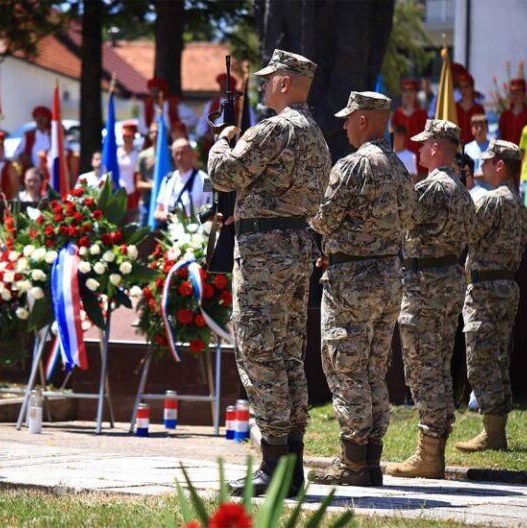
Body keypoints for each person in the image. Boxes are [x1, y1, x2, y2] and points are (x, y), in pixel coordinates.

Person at [208, 49, 330, 497]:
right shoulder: (315, 133)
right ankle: (290, 462)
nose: (262, 86)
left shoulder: (275, 128)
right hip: (297, 246)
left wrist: (223, 138)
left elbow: (226, 173)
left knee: (260, 351)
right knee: (286, 352)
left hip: (265, 252)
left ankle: (275, 465)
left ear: (283, 81)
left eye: (267, 80)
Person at [307, 91, 417, 487]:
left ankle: (352, 464)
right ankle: (370, 461)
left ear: (365, 120)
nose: (344, 125)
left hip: (351, 282)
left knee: (346, 369)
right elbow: (410, 218)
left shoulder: (352, 165)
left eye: (349, 118)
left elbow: (324, 218)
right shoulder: (399, 167)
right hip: (388, 277)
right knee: (372, 370)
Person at [386, 119, 474, 480]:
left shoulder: (432, 188)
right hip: (449, 280)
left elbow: (400, 222)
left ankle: (430, 453)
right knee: (436, 365)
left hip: (425, 285)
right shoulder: (462, 190)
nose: (419, 149)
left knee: (425, 369)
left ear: (438, 146)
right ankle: (433, 446)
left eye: (424, 144)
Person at [455, 140, 527, 453]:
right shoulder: (518, 204)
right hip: (505, 287)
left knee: (482, 360)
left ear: (500, 166)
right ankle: (496, 430)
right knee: (498, 358)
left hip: (485, 289)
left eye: (486, 161)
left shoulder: (492, 200)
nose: (481, 165)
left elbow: (465, 231)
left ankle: (492, 433)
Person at [154, 138, 212, 224]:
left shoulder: (207, 180)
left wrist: (186, 219)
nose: (179, 157)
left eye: (183, 153)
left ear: (192, 154)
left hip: (195, 233)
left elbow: (209, 212)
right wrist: (167, 217)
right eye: (176, 154)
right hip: (169, 231)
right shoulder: (167, 179)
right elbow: (157, 212)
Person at [391, 79, 426, 173]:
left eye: (411, 91)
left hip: (418, 161)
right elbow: (392, 134)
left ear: (415, 94)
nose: (407, 94)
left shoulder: (421, 113)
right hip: (401, 158)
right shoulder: (398, 113)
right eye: (405, 91)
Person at [14, 105, 51, 172]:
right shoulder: (29, 135)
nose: (39, 119)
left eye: (42, 117)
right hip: (33, 173)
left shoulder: (53, 135)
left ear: (47, 118)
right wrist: (22, 156)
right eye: (37, 117)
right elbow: (17, 153)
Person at [455, 73, 486, 145]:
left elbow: (483, 130)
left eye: (466, 87)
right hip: (457, 149)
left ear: (472, 88)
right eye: (461, 87)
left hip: (474, 148)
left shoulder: (479, 108)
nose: (463, 90)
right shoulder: (455, 107)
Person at [498, 79, 527, 145]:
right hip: (507, 152)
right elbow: (501, 137)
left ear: (524, 94)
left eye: (517, 93)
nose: (514, 96)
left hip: (523, 153)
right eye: (512, 93)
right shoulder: (504, 116)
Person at [117, 120, 140, 209]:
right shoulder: (117, 152)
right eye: (124, 136)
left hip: (132, 192)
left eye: (129, 136)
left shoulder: (137, 154)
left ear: (133, 137)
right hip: (117, 190)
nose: (126, 139)